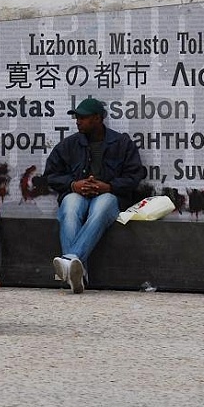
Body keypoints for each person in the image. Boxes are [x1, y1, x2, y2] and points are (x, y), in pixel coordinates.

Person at [43, 97, 143, 294]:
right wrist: (73, 184)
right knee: (69, 207)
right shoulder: (69, 145)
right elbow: (50, 176)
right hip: (77, 194)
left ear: (98, 118)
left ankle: (70, 259)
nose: (78, 121)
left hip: (109, 195)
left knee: (101, 207)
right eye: (77, 118)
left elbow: (135, 175)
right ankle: (77, 273)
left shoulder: (121, 143)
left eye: (83, 117)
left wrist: (109, 186)